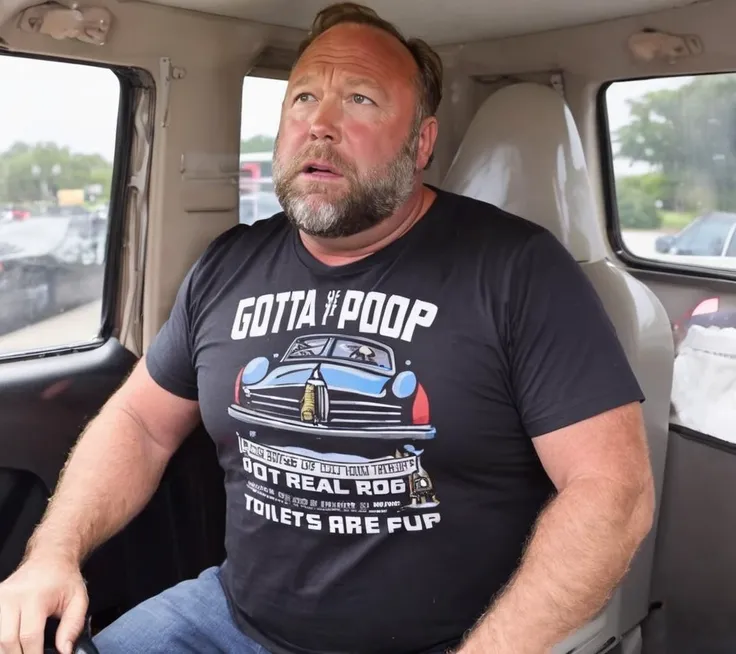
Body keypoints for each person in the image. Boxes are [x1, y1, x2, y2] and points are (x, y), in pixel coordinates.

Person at [0, 3, 655, 653]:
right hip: (227, 618)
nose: (321, 123)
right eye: (303, 97)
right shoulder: (229, 264)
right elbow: (139, 425)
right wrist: (52, 553)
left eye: (362, 99)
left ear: (420, 142)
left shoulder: (518, 270)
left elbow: (611, 493)